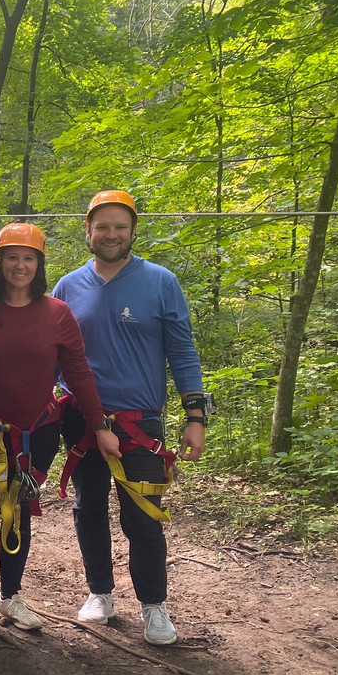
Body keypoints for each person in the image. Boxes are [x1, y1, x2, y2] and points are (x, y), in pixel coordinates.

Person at [51, 189, 207, 646]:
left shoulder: (160, 282)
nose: (111, 234)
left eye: (120, 226)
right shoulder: (67, 287)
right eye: (102, 226)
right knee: (87, 508)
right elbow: (51, 357)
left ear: (133, 231)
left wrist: (194, 414)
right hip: (80, 419)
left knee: (143, 515)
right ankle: (100, 592)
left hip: (140, 421)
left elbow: (182, 350)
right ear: (88, 231)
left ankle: (154, 604)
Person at [0, 223, 118, 646]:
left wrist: (99, 426)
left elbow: (79, 374)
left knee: (18, 512)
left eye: (28, 258)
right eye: (12, 257)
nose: (20, 265)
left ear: (39, 264)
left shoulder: (57, 314)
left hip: (35, 434)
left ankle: (11, 596)